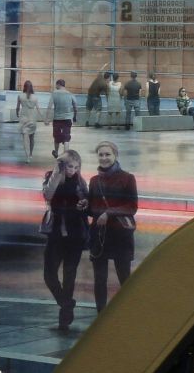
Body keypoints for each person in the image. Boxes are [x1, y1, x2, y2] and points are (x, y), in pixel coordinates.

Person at [39, 148, 88, 333]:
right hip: (56, 234)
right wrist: (58, 171)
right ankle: (66, 303)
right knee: (49, 274)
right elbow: (48, 194)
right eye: (69, 166)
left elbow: (86, 200)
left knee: (69, 276)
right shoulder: (52, 176)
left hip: (75, 235)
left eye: (76, 167)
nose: (72, 170)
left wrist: (85, 203)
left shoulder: (80, 181)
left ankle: (64, 317)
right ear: (61, 164)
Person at [86, 141, 138, 313]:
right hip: (99, 236)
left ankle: (127, 312)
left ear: (115, 155)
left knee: (124, 277)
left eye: (107, 154)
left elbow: (132, 207)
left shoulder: (127, 178)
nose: (104, 158)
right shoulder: (94, 181)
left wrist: (109, 213)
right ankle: (101, 314)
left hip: (120, 235)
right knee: (99, 279)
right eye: (101, 155)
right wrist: (83, 205)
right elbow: (90, 209)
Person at [15, 80, 46, 161]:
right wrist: (44, 119)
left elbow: (17, 108)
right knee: (32, 138)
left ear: (24, 87)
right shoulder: (35, 97)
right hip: (32, 119)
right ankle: (31, 153)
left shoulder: (20, 96)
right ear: (32, 87)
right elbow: (39, 109)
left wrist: (17, 113)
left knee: (25, 139)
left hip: (23, 119)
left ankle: (27, 156)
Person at [48, 78, 77, 157]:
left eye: (56, 85)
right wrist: (75, 116)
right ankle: (66, 156)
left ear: (58, 84)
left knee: (57, 137)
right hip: (67, 119)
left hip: (57, 119)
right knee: (66, 138)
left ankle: (56, 152)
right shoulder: (70, 94)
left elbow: (49, 106)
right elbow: (75, 106)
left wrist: (47, 118)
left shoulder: (54, 93)